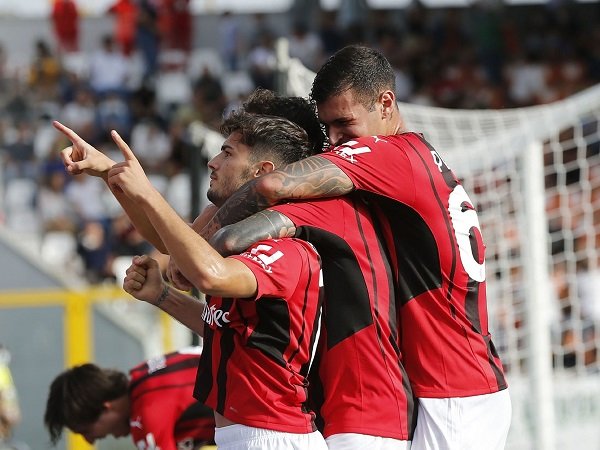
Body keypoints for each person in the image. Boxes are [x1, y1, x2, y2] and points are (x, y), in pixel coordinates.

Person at [56, 91, 416, 448]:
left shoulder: (288, 238)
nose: (213, 161)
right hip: (275, 426)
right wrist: (113, 175)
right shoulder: (236, 222)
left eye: (229, 151)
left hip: (350, 415)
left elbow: (204, 269)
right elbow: (216, 311)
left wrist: (146, 194)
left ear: (265, 170)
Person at [199, 45, 512, 450]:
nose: (334, 140)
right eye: (327, 126)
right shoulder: (410, 162)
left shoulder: (389, 155)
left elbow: (271, 184)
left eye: (344, 123)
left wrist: (200, 245)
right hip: (454, 383)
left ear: (386, 104)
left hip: (454, 392)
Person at [44, 347, 215, 450]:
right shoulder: (142, 374)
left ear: (106, 407)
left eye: (86, 431)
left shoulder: (145, 417)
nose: (89, 441)